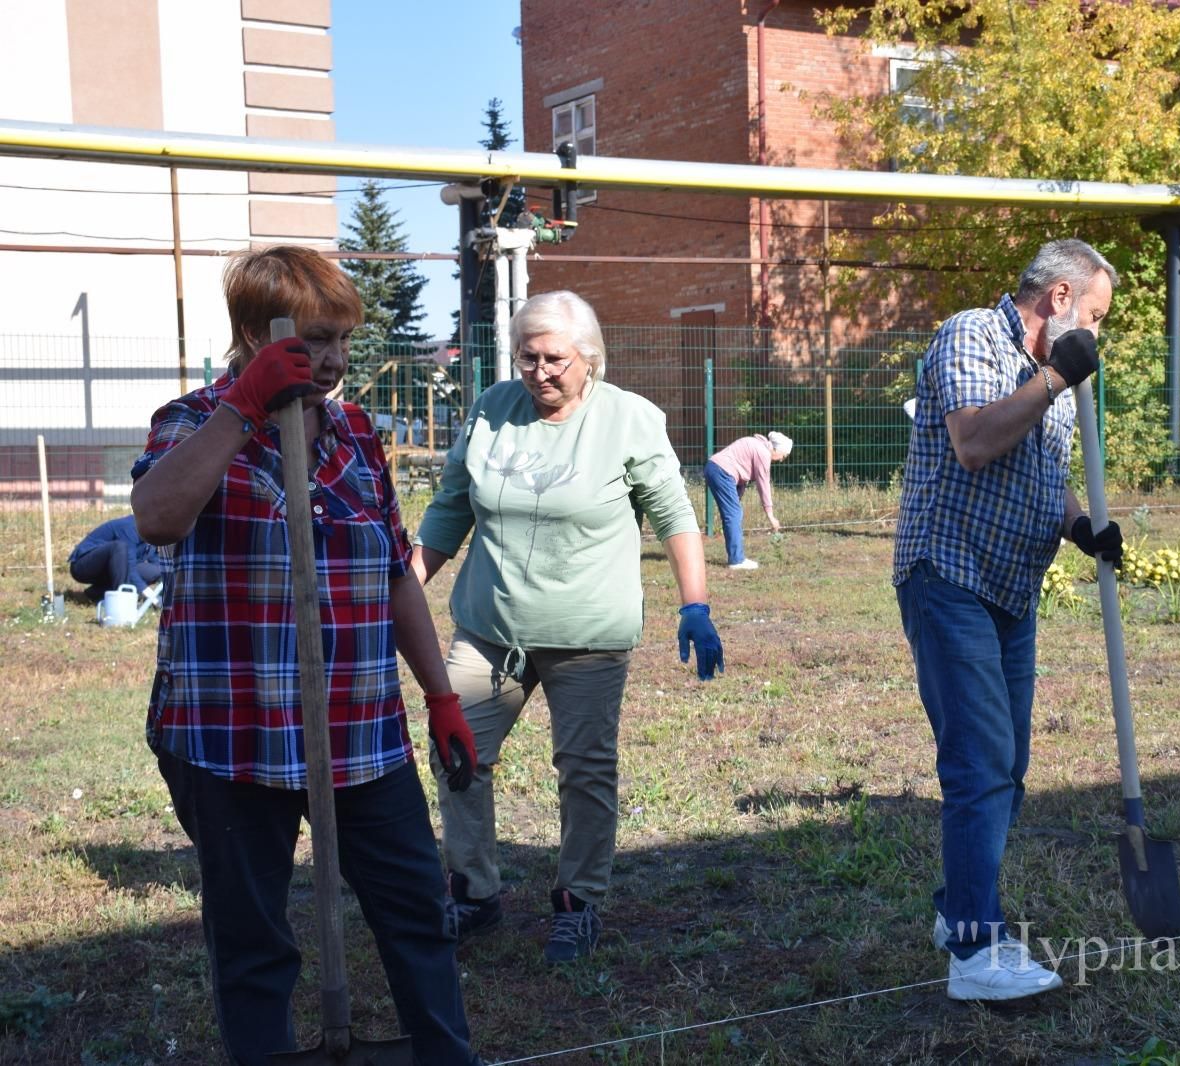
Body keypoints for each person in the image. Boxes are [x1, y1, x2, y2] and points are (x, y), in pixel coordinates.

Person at [128, 246, 481, 1066]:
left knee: (415, 909)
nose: (330, 360)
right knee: (252, 937)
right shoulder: (191, 419)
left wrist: (440, 697)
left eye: (342, 341)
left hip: (362, 731)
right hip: (231, 734)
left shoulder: (356, 433)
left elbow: (395, 575)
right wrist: (243, 412)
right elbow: (157, 517)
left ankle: (443, 1056)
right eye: (315, 338)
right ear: (256, 332)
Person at [413, 290, 724, 962]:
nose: (539, 371)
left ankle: (578, 901)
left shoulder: (630, 420)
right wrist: (403, 591)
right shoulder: (493, 409)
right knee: (456, 752)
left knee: (584, 772)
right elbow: (450, 509)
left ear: (589, 358)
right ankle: (474, 893)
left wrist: (694, 603)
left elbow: (674, 517)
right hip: (490, 628)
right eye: (527, 357)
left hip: (587, 634)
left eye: (554, 358)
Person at [895, 238, 1122, 1001]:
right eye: (1093, 315)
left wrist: (1079, 525)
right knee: (981, 762)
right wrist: (1058, 376)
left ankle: (957, 907)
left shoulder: (1047, 376)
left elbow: (1038, 470)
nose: (1096, 333)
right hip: (949, 573)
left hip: (1011, 588)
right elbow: (975, 441)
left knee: (1007, 764)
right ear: (1058, 298)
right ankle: (976, 952)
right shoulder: (972, 334)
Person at [705, 431, 793, 570]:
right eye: (783, 455)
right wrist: (770, 516)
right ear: (777, 449)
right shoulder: (763, 453)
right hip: (722, 472)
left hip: (714, 468)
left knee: (733, 514)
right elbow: (763, 484)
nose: (781, 459)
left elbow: (741, 473)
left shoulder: (756, 444)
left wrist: (737, 498)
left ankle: (736, 557)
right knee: (734, 515)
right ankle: (736, 561)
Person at [68, 514, 162, 601]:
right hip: (83, 565)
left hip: (113, 568)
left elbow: (155, 561)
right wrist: (147, 592)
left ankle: (94, 593)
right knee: (119, 547)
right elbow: (130, 565)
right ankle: (121, 598)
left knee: (156, 571)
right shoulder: (130, 527)